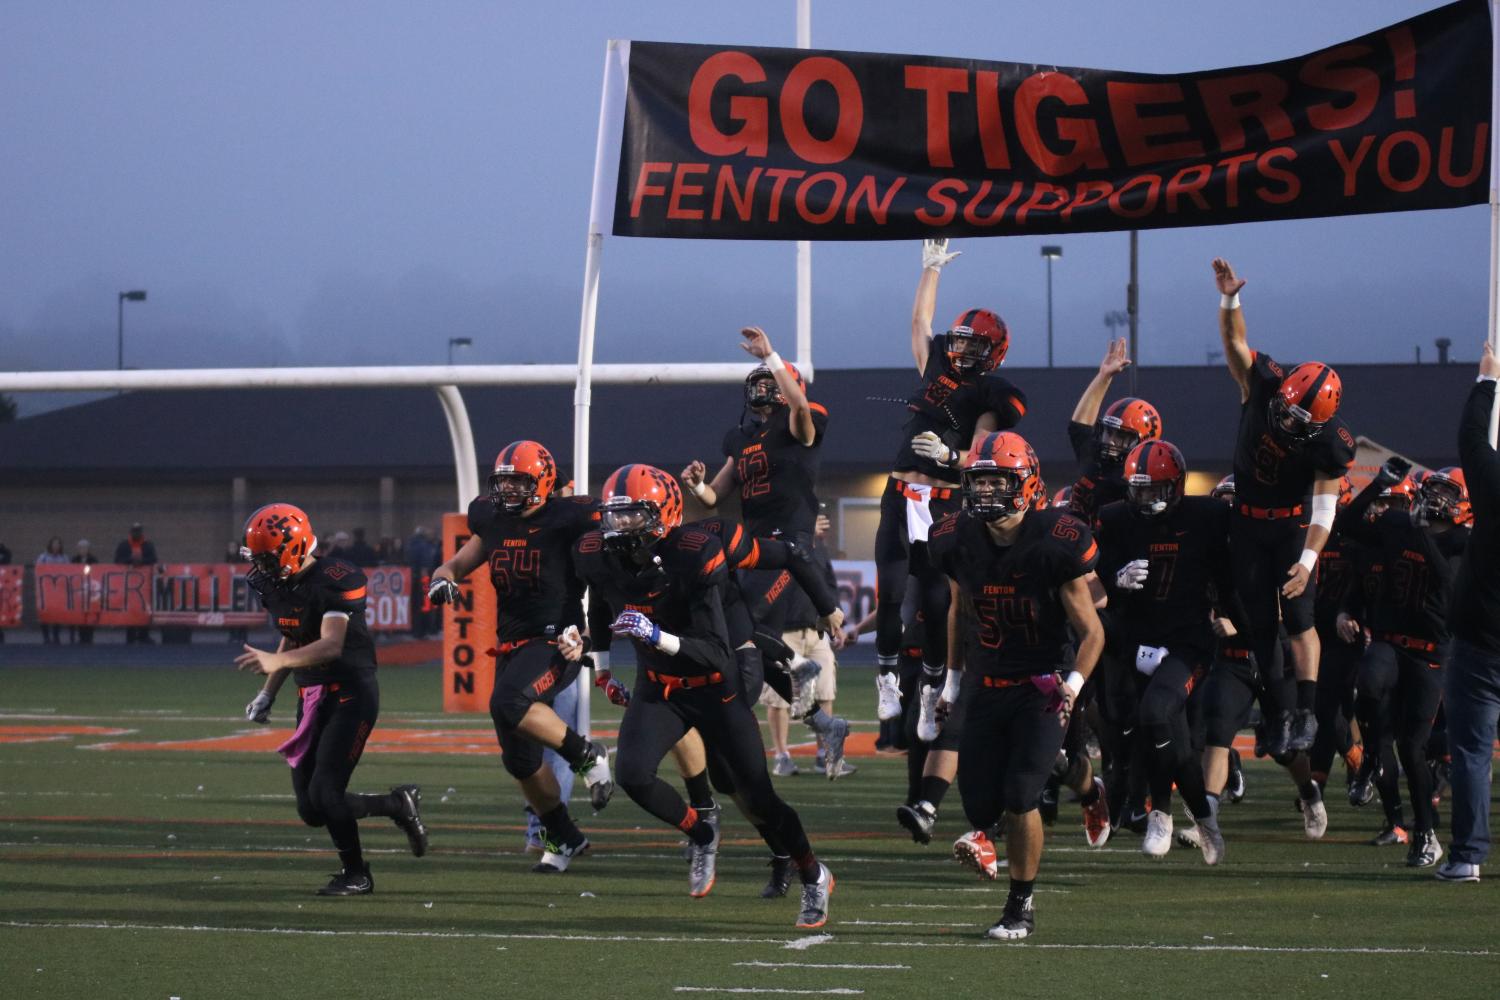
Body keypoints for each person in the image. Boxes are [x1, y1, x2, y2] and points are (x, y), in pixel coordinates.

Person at [574, 464, 833, 927]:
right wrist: (604, 670)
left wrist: (656, 635)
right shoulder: (599, 553)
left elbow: (715, 653)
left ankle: (813, 873)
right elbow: (599, 602)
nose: (621, 526)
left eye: (633, 516)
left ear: (664, 515)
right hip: (660, 688)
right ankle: (700, 830)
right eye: (615, 516)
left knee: (759, 798)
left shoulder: (695, 553)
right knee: (633, 775)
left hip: (717, 687)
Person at [928, 431, 1104, 941]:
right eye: (977, 481)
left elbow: (1093, 632)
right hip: (987, 680)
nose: (984, 492)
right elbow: (959, 612)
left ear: (1026, 485)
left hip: (1043, 684)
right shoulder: (957, 539)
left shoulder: (1056, 540)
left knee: (1021, 794)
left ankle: (1019, 906)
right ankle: (1075, 773)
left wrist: (1071, 686)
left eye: (996, 481)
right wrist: (951, 683)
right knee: (980, 805)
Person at [427, 440, 612, 874]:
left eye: (519, 480)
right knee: (520, 761)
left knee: (507, 702)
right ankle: (563, 835)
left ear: (544, 482)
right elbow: (453, 566)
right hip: (511, 645)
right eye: (504, 480)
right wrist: (442, 580)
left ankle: (588, 754)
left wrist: (586, 635)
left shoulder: (572, 519)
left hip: (556, 642)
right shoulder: (491, 520)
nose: (509, 489)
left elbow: (601, 578)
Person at [872, 239, 1027, 735]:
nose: (960, 350)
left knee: (937, 604)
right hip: (900, 493)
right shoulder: (936, 364)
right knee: (892, 594)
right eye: (958, 341)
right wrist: (931, 272)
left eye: (973, 345)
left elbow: (982, 451)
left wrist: (948, 457)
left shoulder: (989, 394)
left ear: (993, 354)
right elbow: (920, 324)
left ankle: (931, 693)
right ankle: (887, 678)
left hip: (944, 503)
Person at [236, 503, 429, 895]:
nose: (262, 568)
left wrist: (277, 660)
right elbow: (293, 630)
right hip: (311, 696)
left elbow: (330, 645)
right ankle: (397, 804)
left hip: (351, 693)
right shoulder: (280, 584)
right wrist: (268, 690)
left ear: (294, 548)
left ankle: (357, 874)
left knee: (327, 792)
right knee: (310, 809)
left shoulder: (335, 579)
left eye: (267, 558)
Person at [1213, 258, 1355, 758]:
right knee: (1258, 624)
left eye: (1301, 422)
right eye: (1286, 414)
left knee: (1299, 616)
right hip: (1247, 523)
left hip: (1291, 526)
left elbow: (1324, 510)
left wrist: (1308, 560)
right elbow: (1234, 345)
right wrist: (1230, 299)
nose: (1288, 425)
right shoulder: (1266, 384)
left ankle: (1308, 712)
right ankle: (1277, 710)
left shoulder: (1331, 445)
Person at [1097, 440, 1239, 863]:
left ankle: (1160, 811)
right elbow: (1092, 579)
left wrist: (1232, 616)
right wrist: (1114, 579)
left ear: (1176, 486)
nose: (1144, 499)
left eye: (1154, 489)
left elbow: (1230, 574)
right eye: (1138, 490)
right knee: (1168, 741)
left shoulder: (1207, 517)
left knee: (1156, 715)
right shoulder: (1115, 519)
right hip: (1136, 641)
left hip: (1186, 640)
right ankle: (1205, 821)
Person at [1339, 460, 1469, 867]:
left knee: (1413, 749)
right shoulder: (1400, 524)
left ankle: (1426, 832)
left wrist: (1420, 533)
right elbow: (1347, 524)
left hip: (1430, 654)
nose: (1437, 497)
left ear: (1465, 504)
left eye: (1448, 493)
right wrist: (1377, 484)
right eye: (1436, 489)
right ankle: (1373, 760)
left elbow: (1447, 583)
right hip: (1391, 642)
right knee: (1368, 681)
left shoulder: (1465, 542)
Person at [1441, 341, 1500, 882]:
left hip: (1482, 641)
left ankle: (1467, 855)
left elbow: (1469, 438)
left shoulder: (1492, 483)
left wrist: (1486, 382)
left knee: (1472, 753)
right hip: (1481, 636)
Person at [1065, 338, 1163, 523]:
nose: (1110, 441)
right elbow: (1079, 427)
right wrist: (1104, 377)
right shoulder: (1096, 459)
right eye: (1110, 433)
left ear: (1143, 442)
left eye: (1121, 438)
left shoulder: (1142, 480)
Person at [114, 523, 158, 643]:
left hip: (144, 584)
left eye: (138, 531)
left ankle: (144, 635)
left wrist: (141, 561)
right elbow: (117, 560)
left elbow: (154, 560)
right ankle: (131, 635)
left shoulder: (148, 545)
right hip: (127, 584)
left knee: (145, 608)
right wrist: (130, 561)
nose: (136, 534)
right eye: (134, 531)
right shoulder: (124, 545)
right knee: (130, 608)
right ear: (131, 532)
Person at [36, 537, 68, 644]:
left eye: (58, 544)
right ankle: (46, 636)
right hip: (45, 589)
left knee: (57, 613)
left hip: (59, 589)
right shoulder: (43, 557)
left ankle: (56, 635)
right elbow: (38, 570)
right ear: (50, 545)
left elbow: (69, 571)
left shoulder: (64, 558)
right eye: (54, 544)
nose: (56, 546)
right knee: (44, 612)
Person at [70, 540, 100, 644]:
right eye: (81, 548)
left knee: (90, 612)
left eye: (85, 548)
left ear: (88, 549)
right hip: (79, 589)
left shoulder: (93, 559)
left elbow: (97, 571)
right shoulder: (74, 559)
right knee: (80, 612)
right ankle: (81, 636)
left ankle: (89, 636)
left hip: (90, 588)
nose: (83, 550)